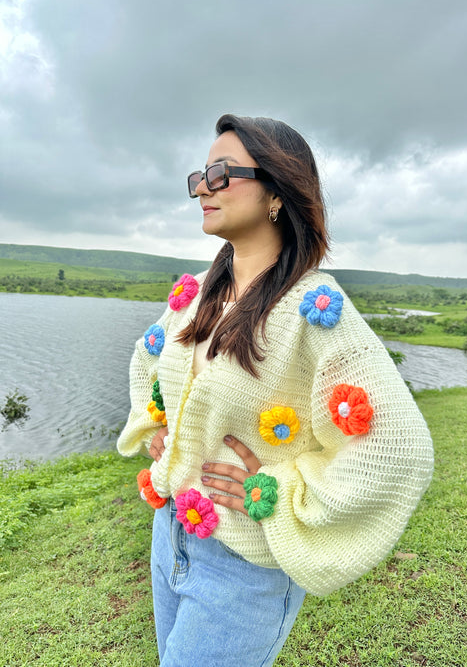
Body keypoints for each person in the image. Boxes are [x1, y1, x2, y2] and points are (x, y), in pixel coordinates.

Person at [117, 114, 434, 667]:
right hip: (171, 533)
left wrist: (281, 489)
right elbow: (152, 359)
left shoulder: (313, 312)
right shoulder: (199, 295)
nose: (202, 188)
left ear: (277, 192)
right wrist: (158, 430)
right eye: (199, 175)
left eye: (221, 173)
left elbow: (398, 449)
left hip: (244, 567)